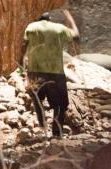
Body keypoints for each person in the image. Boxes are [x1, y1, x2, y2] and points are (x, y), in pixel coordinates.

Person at [23, 9, 79, 138]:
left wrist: (23, 68)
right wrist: (70, 18)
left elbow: (23, 44)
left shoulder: (31, 27)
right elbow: (76, 35)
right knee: (60, 104)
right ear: (50, 20)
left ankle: (42, 122)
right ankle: (56, 133)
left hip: (35, 71)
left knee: (37, 98)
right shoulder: (59, 28)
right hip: (55, 72)